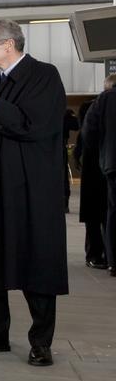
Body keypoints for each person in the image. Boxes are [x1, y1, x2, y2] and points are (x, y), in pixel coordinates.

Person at [0, 19, 68, 366]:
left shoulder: (44, 76)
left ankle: (40, 341)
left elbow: (35, 126)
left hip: (32, 187)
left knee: (37, 260)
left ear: (8, 44)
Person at [78, 74, 116, 270]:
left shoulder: (98, 103)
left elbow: (87, 134)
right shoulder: (98, 103)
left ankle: (108, 258)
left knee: (108, 212)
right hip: (103, 164)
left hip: (105, 163)